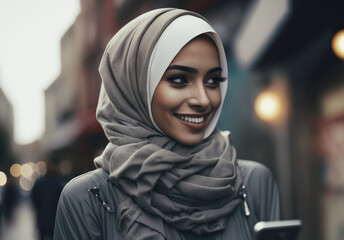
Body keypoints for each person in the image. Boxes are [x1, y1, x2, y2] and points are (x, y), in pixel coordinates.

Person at [54, 8, 280, 240]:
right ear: (136, 87)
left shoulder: (254, 182)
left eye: (213, 80)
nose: (203, 100)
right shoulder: (87, 199)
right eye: (179, 80)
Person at [31, 159, 64, 240]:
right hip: (51, 219)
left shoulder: (40, 182)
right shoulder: (58, 183)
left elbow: (34, 199)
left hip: (47, 219)